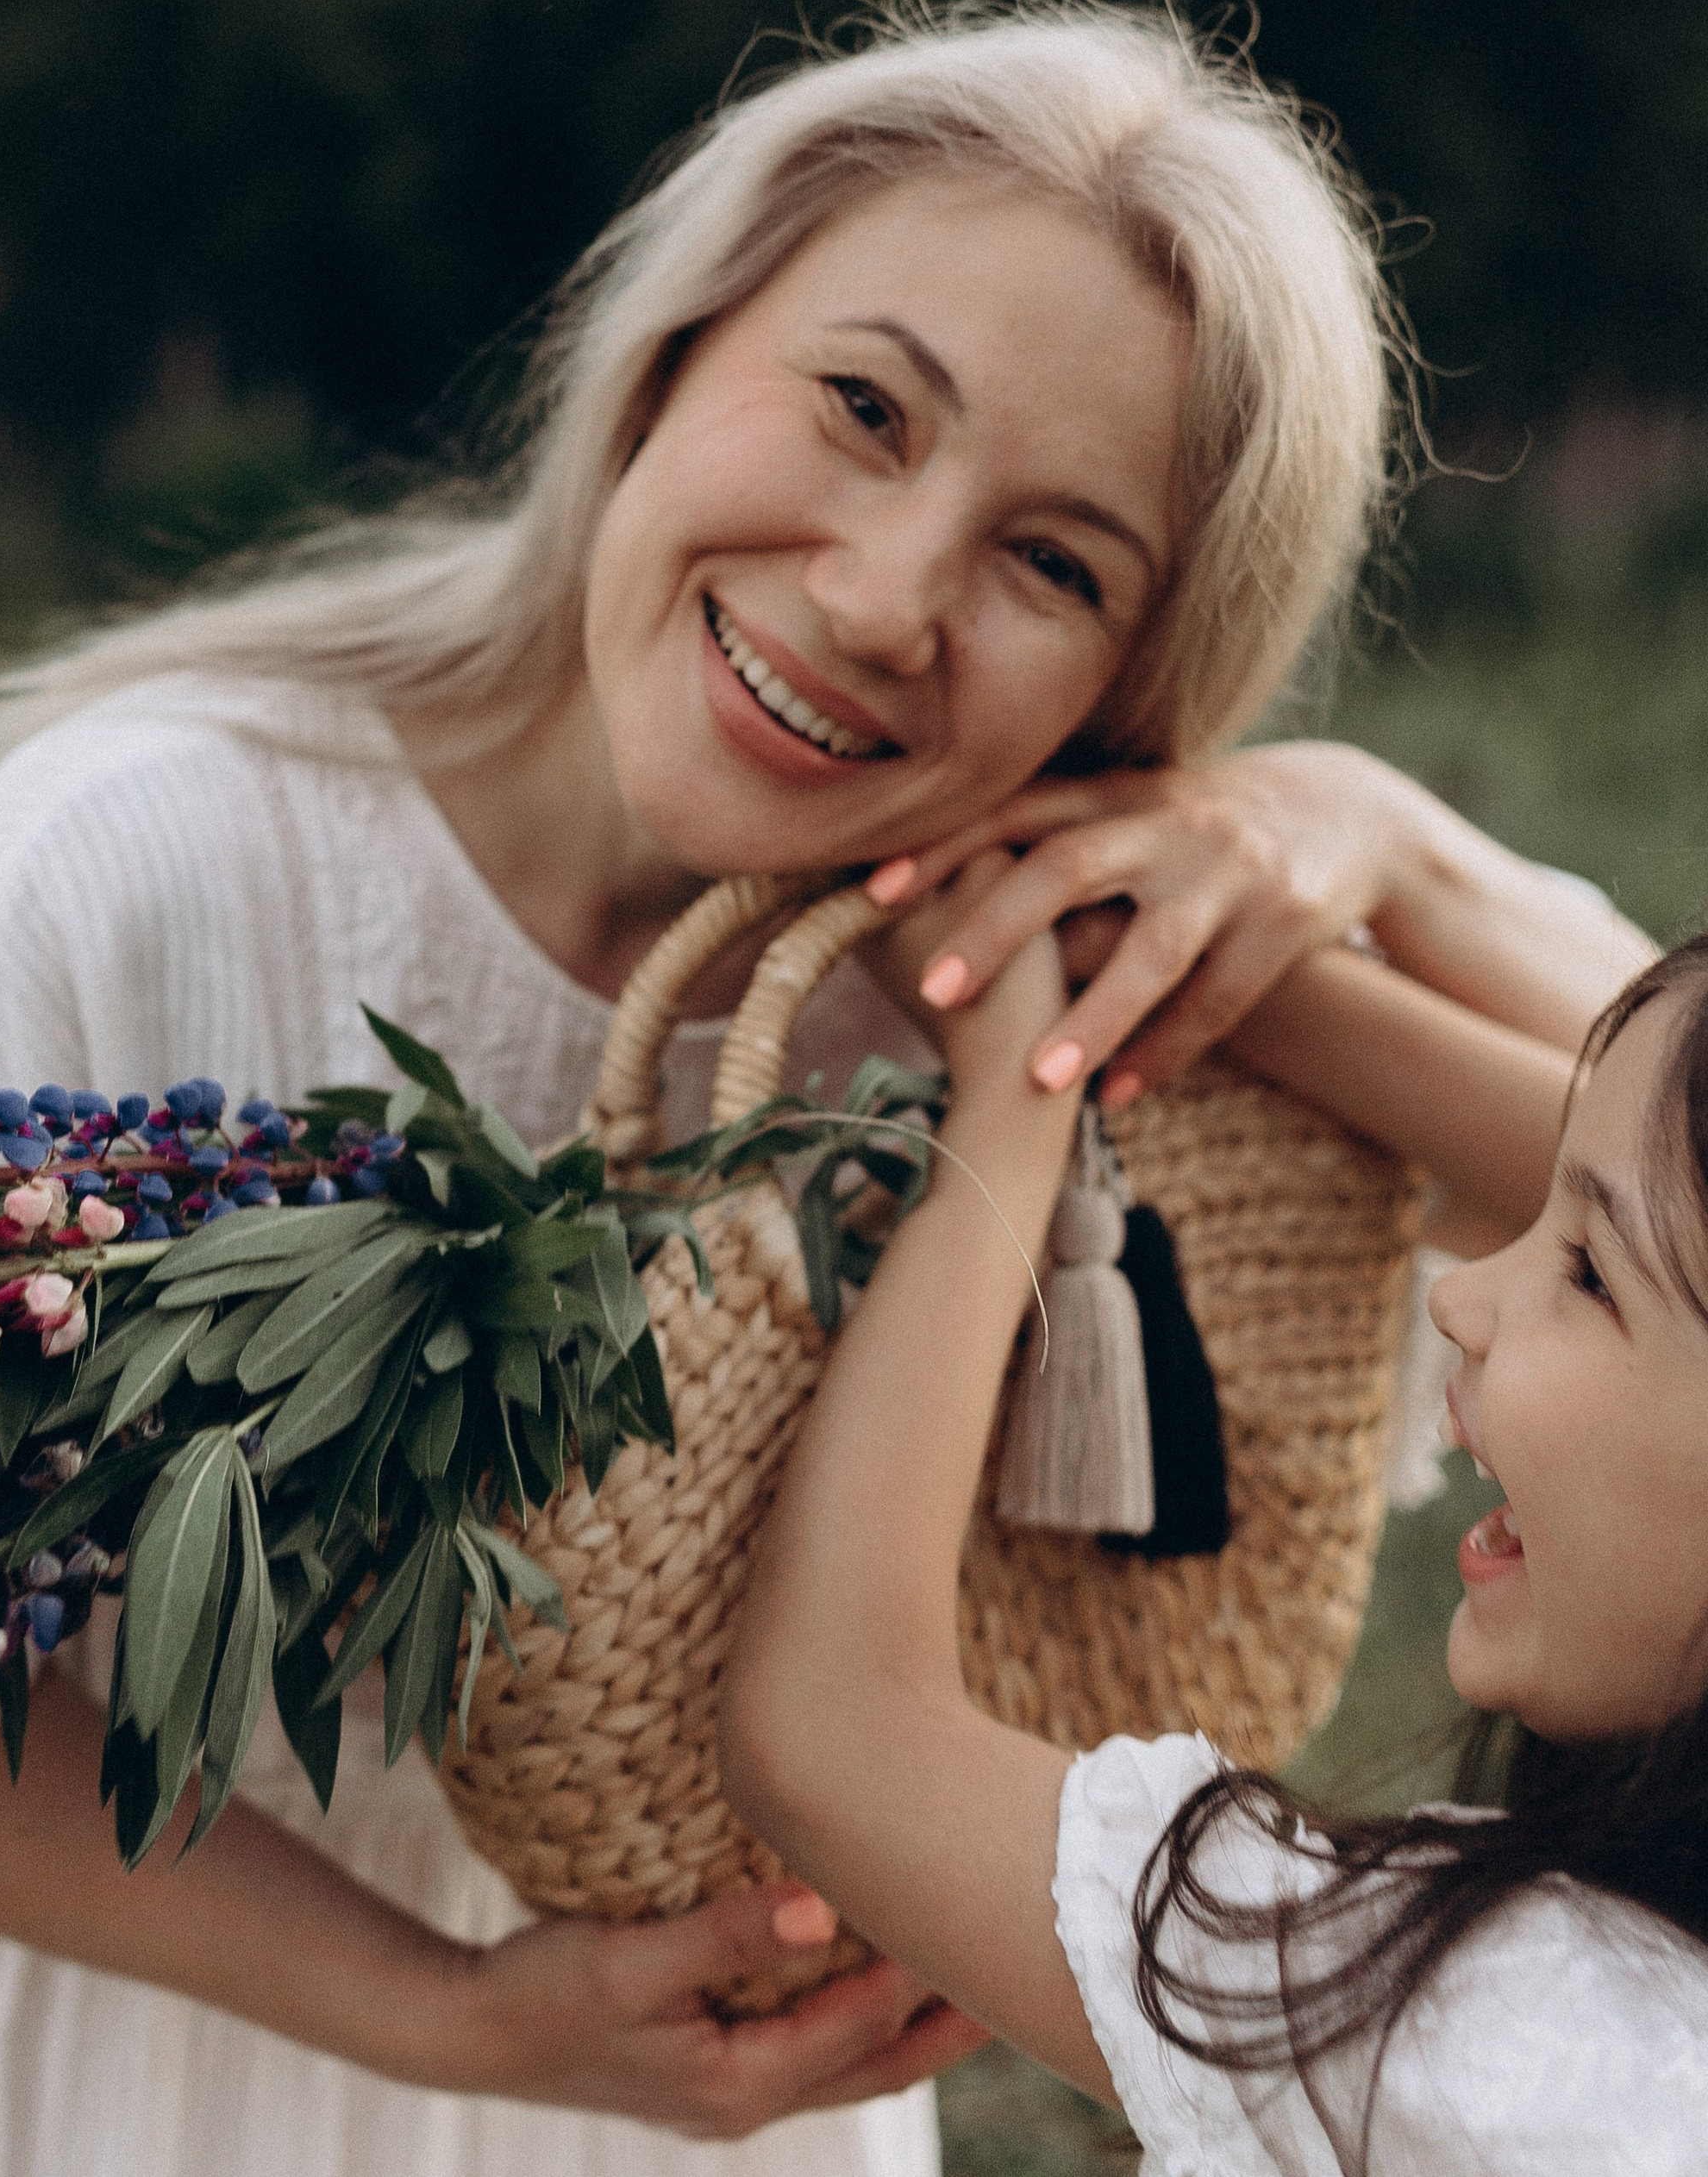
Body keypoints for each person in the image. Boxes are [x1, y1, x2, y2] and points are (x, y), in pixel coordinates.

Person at [0, 0, 1645, 2177]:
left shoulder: (1010, 991)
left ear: (1137, 682)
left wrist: (1376, 840)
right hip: (115, 2076)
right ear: (667, 351)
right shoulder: (148, 856)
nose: (885, 592)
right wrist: (448, 2014)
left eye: (1053, 562)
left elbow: (1673, 1191)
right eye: (859, 405)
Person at [720, 879, 1708, 2177]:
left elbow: (832, 1731)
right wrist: (1227, 955)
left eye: (1585, 1268)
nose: (1465, 1290)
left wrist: (1017, 1109)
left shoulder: (1504, 2044)